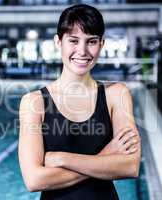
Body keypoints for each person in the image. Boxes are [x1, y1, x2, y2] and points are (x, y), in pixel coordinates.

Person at [18, 4, 141, 200]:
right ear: (59, 43)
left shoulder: (116, 95)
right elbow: (34, 180)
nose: (82, 51)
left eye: (91, 41)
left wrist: (61, 158)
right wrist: (106, 156)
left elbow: (131, 166)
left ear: (101, 44)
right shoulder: (34, 102)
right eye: (73, 40)